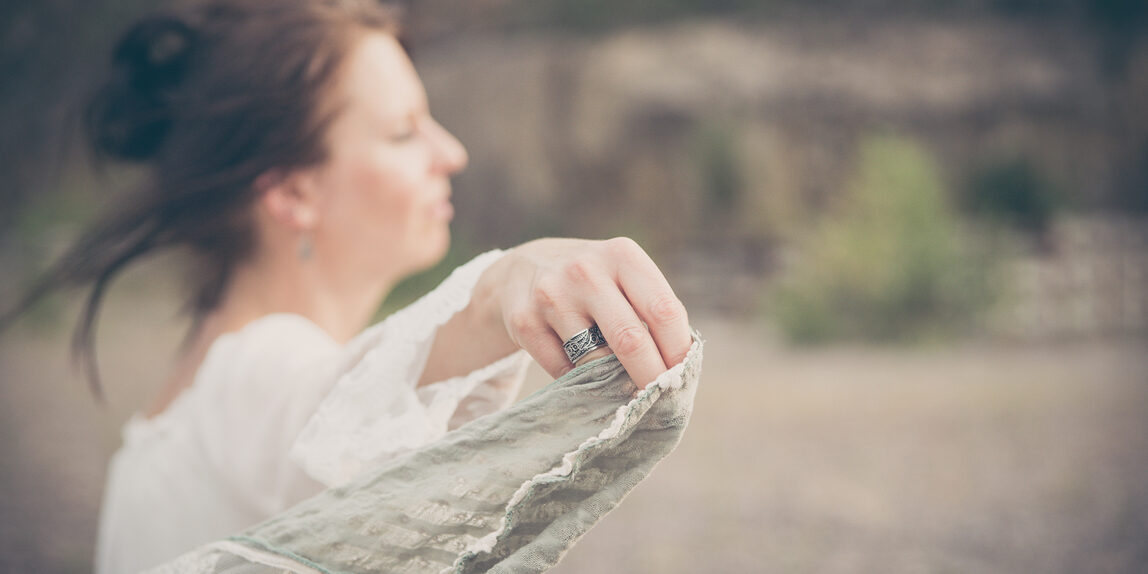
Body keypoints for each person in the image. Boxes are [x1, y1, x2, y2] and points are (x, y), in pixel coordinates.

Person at [1, 0, 692, 571]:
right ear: (294, 193)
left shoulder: (165, 432)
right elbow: (329, 405)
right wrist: (501, 283)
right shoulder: (253, 373)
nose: (451, 153)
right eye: (402, 132)